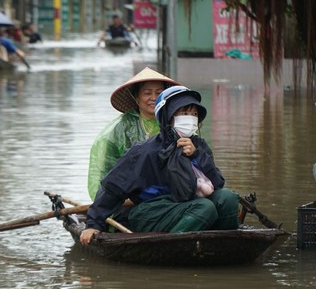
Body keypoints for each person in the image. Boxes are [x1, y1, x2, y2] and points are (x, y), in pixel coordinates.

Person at [80, 85, 240, 245]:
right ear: (168, 117)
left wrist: (196, 155)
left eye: (194, 114)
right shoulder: (145, 151)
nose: (190, 118)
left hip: (187, 205)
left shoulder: (199, 146)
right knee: (204, 208)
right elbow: (112, 188)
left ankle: (223, 244)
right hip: (149, 211)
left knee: (228, 198)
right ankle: (170, 248)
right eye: (184, 113)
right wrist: (93, 224)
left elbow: (218, 183)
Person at [87, 67, 179, 199]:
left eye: (159, 93)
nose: (154, 98)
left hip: (169, 195)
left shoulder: (175, 124)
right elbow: (105, 171)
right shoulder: (122, 128)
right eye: (147, 93)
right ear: (136, 97)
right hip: (129, 195)